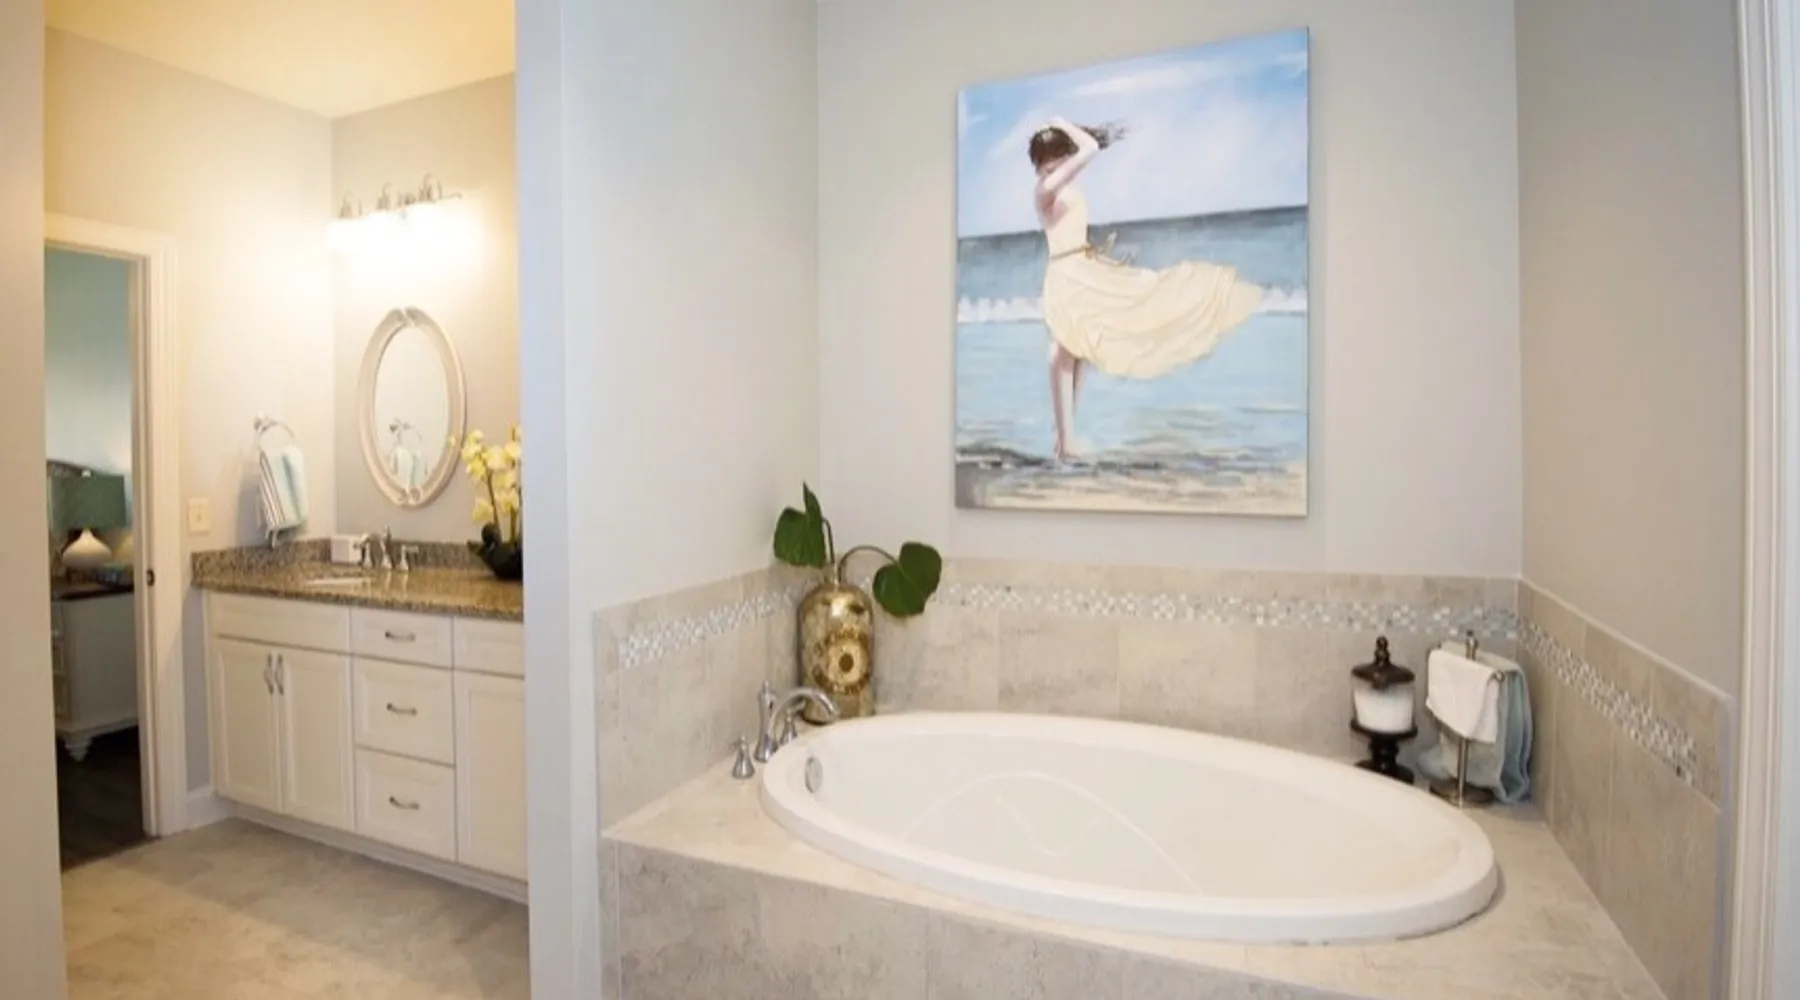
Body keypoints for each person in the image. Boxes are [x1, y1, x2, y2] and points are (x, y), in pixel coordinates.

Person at [1030, 117, 1265, 461]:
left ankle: (1064, 439)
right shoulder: (1046, 188)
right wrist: (1062, 123)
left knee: (1078, 349)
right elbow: (1090, 148)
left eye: (1058, 160)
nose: (1057, 167)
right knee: (1065, 349)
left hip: (1082, 268)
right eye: (1051, 162)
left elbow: (1085, 153)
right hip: (1068, 272)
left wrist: (1065, 132)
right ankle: (1065, 442)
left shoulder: (1060, 186)